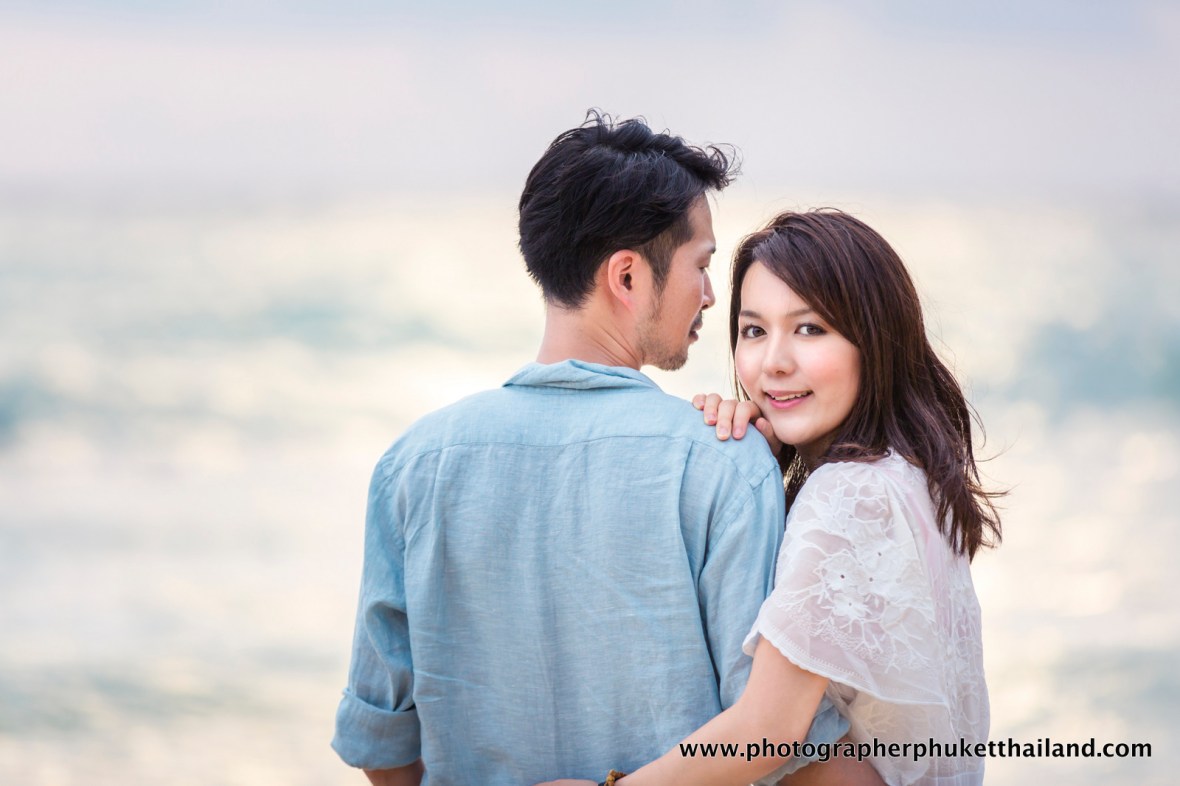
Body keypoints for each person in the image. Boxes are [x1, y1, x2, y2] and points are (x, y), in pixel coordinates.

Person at [330, 114, 864, 786]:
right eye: (701, 265)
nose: (708, 295)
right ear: (628, 277)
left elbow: (381, 739)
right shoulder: (725, 463)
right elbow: (771, 739)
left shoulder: (412, 465)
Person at [542, 209, 1001, 785]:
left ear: (876, 339)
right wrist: (757, 469)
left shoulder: (850, 493)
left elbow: (769, 730)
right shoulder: (909, 477)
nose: (774, 362)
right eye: (754, 331)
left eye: (811, 329)